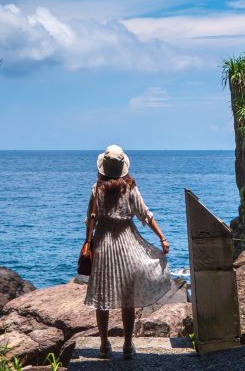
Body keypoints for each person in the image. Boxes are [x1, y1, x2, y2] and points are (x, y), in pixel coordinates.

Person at [82, 144, 172, 359]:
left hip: (103, 246)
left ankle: (104, 346)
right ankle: (128, 345)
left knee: (102, 298)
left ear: (102, 168)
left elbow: (90, 222)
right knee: (127, 298)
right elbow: (145, 214)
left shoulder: (96, 189)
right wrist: (162, 237)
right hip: (128, 245)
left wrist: (88, 242)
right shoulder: (130, 188)